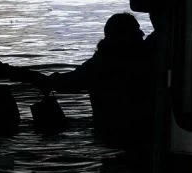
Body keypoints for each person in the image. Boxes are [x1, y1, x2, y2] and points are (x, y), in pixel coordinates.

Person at [46, 13, 154, 149]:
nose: (141, 33)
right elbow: (67, 82)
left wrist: (49, 81)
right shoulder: (108, 64)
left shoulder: (100, 64)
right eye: (135, 30)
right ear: (122, 36)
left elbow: (67, 82)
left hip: (110, 137)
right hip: (123, 135)